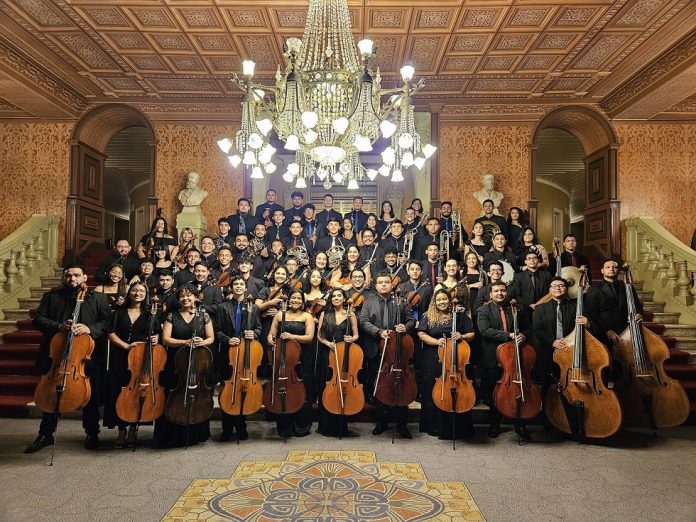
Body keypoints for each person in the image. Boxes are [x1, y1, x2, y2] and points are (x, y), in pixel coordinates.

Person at [25, 265, 111, 453]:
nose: (72, 278)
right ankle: (45, 434)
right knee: (51, 395)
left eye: (76, 275)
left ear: (84, 278)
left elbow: (106, 322)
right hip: (57, 354)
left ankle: (92, 434)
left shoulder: (98, 298)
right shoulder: (52, 297)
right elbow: (38, 320)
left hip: (85, 356)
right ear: (64, 277)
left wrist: (90, 329)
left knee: (90, 398)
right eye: (68, 275)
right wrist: (59, 326)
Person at [154, 284, 215, 448]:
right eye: (182, 296)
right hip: (176, 361)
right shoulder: (172, 316)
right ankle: (172, 434)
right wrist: (184, 342)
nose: (186, 298)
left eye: (189, 295)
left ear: (196, 297)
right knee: (173, 394)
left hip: (197, 361)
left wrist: (202, 341)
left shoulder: (203, 315)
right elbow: (166, 339)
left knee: (197, 393)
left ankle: (197, 432)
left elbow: (211, 338)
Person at [359, 270, 415, 439]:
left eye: (386, 282)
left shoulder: (401, 301)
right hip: (376, 348)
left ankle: (401, 424)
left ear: (392, 284)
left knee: (400, 385)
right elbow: (363, 321)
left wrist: (405, 327)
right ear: (375, 285)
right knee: (380, 386)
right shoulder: (368, 300)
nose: (384, 284)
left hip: (397, 349)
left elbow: (411, 320)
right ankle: (382, 422)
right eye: (380, 282)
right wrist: (379, 332)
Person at [104, 282, 160, 448]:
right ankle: (122, 430)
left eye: (142, 291)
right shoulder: (119, 313)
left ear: (146, 295)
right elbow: (110, 334)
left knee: (136, 392)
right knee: (118, 392)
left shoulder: (151, 315)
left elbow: (156, 333)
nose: (138, 293)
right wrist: (126, 346)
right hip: (120, 357)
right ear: (129, 293)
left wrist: (156, 338)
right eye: (134, 290)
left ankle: (134, 428)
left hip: (141, 359)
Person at [477, 281, 533, 440]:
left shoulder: (516, 309)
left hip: (515, 357)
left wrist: (523, 335)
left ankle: (519, 424)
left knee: (517, 391)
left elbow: (528, 328)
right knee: (495, 394)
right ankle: (494, 425)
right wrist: (508, 335)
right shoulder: (484, 310)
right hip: (493, 358)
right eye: (496, 291)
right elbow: (485, 330)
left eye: (502, 290)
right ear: (490, 294)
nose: (500, 293)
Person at [417, 289, 476, 439]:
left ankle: (458, 427)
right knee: (434, 390)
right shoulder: (428, 316)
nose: (442, 302)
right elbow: (421, 333)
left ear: (450, 300)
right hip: (433, 357)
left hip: (456, 357)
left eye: (444, 299)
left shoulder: (460, 316)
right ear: (434, 302)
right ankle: (435, 426)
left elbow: (472, 333)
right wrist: (436, 341)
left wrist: (461, 336)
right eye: (439, 300)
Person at [532, 276, 592, 421]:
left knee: (571, 385)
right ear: (550, 290)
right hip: (548, 352)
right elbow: (537, 330)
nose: (558, 288)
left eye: (561, 286)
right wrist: (552, 342)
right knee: (548, 386)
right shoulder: (541, 308)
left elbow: (593, 327)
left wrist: (588, 322)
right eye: (554, 286)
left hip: (571, 352)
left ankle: (571, 418)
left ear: (567, 289)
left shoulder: (577, 306)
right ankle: (548, 418)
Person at [212, 276, 262, 441]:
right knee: (227, 390)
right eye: (236, 284)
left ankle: (241, 426)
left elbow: (259, 328)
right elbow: (217, 330)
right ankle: (227, 428)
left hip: (246, 353)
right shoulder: (222, 307)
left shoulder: (253, 307)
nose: (239, 286)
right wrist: (228, 339)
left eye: (242, 284)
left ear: (246, 287)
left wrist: (253, 334)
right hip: (228, 354)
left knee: (244, 390)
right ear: (231, 287)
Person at [267, 289, 315, 438]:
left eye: (298, 299)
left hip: (301, 358)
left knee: (301, 391)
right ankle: (284, 424)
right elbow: (271, 333)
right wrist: (270, 337)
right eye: (293, 298)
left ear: (302, 301)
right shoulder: (279, 315)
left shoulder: (307, 316)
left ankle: (301, 425)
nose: (295, 300)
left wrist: (291, 336)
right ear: (288, 300)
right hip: (283, 359)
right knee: (283, 389)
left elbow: (309, 337)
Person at [316, 289, 360, 437]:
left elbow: (356, 334)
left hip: (345, 355)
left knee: (343, 386)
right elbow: (319, 336)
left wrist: (351, 339)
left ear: (344, 298)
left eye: (339, 296)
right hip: (328, 355)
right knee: (327, 387)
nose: (336, 298)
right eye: (333, 296)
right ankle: (326, 425)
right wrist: (328, 343)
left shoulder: (350, 314)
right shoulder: (324, 314)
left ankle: (341, 424)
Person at [585, 258, 643, 347]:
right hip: (604, 334)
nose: (611, 269)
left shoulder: (627, 287)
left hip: (627, 331)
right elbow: (592, 313)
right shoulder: (594, 289)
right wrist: (606, 330)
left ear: (618, 270)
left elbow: (637, 306)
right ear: (602, 271)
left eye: (614, 267)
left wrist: (639, 314)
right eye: (608, 267)